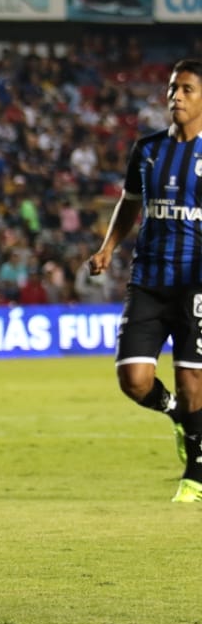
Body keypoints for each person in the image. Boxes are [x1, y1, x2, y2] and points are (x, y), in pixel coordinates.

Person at [88, 58, 202, 502]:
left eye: (187, 89)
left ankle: (195, 474)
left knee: (193, 380)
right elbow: (130, 204)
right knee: (133, 379)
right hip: (149, 280)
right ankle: (175, 414)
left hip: (196, 283)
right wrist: (108, 247)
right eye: (173, 88)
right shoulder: (149, 149)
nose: (175, 96)